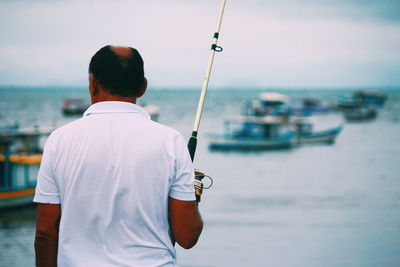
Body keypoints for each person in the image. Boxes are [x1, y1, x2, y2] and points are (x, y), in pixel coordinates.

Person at [34, 45, 203, 267]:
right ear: (143, 87)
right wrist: (194, 194)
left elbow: (46, 233)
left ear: (92, 83)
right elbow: (187, 236)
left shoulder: (59, 140)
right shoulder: (170, 141)